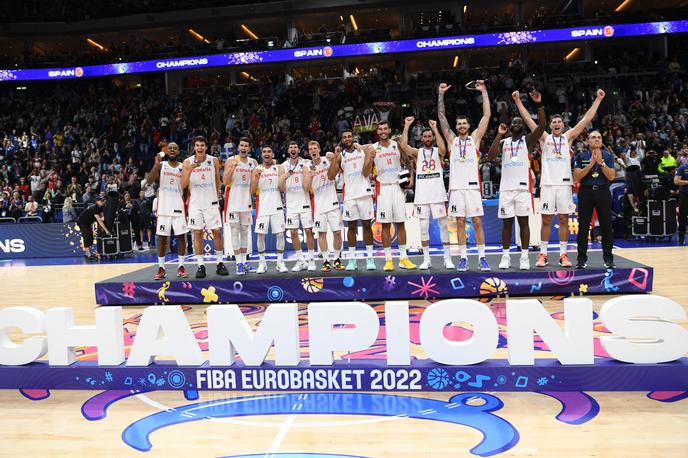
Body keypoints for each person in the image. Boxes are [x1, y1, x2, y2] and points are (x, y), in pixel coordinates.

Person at [512, 88, 606, 268]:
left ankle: (563, 254)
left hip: (564, 186)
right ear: (550, 125)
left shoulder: (568, 138)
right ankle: (543, 254)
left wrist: (598, 100)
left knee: (563, 219)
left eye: (559, 122)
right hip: (547, 185)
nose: (556, 124)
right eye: (553, 122)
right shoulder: (544, 138)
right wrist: (518, 101)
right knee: (546, 220)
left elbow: (586, 119)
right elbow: (528, 120)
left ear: (563, 125)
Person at [488, 90, 546, 270]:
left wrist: (538, 104)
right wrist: (498, 134)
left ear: (522, 127)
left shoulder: (527, 141)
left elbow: (543, 125)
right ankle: (505, 256)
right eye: (514, 122)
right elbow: (490, 157)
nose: (516, 123)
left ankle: (524, 257)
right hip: (506, 189)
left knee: (523, 222)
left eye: (519, 122)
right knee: (506, 223)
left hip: (522, 189)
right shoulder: (504, 142)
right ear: (510, 125)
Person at [437, 80, 492, 271]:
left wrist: (483, 92)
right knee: (459, 222)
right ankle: (463, 258)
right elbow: (441, 116)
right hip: (456, 189)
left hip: (473, 188)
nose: (461, 126)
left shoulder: (475, 139)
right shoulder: (451, 140)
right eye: (459, 124)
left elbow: (486, 115)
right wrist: (441, 94)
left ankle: (482, 257)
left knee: (477, 222)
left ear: (468, 125)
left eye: (464, 123)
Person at [398, 116, 452, 269]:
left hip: (437, 194)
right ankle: (426, 259)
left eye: (430, 136)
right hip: (422, 196)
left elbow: (443, 148)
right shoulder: (417, 152)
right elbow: (403, 145)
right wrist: (407, 125)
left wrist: (435, 128)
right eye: (425, 136)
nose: (427, 138)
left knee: (443, 225)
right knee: (423, 228)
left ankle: (447, 258)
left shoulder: (438, 151)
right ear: (421, 138)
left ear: (433, 138)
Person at [362, 121, 417, 271]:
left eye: (385, 128)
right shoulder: (372, 148)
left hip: (398, 187)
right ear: (377, 132)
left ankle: (403, 258)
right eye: (380, 129)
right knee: (385, 225)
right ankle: (388, 260)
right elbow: (365, 173)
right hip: (382, 189)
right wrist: (370, 159)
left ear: (389, 130)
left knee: (400, 223)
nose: (383, 131)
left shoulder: (396, 144)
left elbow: (406, 160)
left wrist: (411, 176)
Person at [181, 135, 229, 278]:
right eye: (197, 146)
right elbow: (182, 185)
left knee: (217, 232)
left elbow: (217, 179)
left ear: (206, 147)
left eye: (202, 145)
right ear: (194, 148)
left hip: (211, 202)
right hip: (195, 203)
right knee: (197, 233)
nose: (200, 148)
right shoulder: (187, 162)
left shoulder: (213, 160)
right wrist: (190, 170)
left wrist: (217, 193)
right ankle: (200, 265)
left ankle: (220, 263)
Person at [329, 129, 376, 271]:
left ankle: (370, 258)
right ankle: (352, 259)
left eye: (350, 136)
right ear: (342, 140)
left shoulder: (363, 150)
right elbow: (331, 176)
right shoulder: (340, 156)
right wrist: (334, 158)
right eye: (344, 137)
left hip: (365, 193)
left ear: (353, 138)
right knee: (351, 227)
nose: (348, 139)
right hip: (349, 196)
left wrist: (367, 153)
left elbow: (366, 172)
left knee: (367, 225)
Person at [573, 130, 616, 268]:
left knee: (607, 226)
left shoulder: (608, 156)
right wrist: (591, 164)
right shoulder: (581, 156)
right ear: (588, 141)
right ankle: (581, 259)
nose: (596, 139)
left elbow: (611, 177)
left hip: (603, 191)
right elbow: (577, 176)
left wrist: (601, 163)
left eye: (599, 137)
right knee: (583, 226)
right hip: (586, 192)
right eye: (593, 137)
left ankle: (608, 259)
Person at [146, 141, 189, 280]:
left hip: (178, 207)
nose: (171, 150)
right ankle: (161, 267)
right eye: (169, 148)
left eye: (174, 148)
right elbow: (149, 181)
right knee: (162, 238)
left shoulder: (183, 167)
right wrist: (155, 164)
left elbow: (187, 188)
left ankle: (181, 266)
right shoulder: (162, 165)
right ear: (167, 151)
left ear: (178, 152)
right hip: (163, 208)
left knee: (181, 236)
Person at [303, 140, 344, 272]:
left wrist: (335, 158)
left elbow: (338, 171)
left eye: (315, 148)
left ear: (319, 150)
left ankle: (337, 259)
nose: (313, 151)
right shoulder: (306, 166)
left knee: (337, 232)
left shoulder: (327, 159)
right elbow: (306, 187)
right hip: (319, 204)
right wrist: (309, 176)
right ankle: (326, 260)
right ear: (309, 152)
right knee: (322, 233)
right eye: (311, 149)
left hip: (332, 202)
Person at [223, 137, 259, 275]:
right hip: (233, 203)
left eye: (246, 146)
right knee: (234, 232)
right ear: (238, 147)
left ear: (249, 148)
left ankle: (244, 262)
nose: (243, 148)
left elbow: (255, 184)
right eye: (241, 145)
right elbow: (225, 181)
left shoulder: (253, 163)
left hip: (247, 202)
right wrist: (233, 167)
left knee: (245, 232)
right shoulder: (231, 161)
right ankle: (238, 263)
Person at [250, 145, 288, 274]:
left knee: (280, 234)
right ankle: (262, 263)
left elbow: (282, 188)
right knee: (260, 236)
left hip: (277, 206)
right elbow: (252, 191)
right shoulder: (256, 169)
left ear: (272, 154)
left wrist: (283, 177)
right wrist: (256, 177)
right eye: (264, 152)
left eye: (269, 151)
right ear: (261, 154)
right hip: (262, 208)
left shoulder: (279, 168)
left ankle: (280, 262)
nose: (266, 154)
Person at [282, 141, 317, 272]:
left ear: (298, 150)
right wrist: (285, 176)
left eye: (295, 147)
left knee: (308, 231)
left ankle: (312, 260)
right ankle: (301, 260)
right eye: (291, 147)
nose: (293, 149)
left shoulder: (306, 164)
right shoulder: (283, 166)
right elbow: (280, 187)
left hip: (304, 203)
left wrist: (308, 173)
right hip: (291, 205)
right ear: (288, 151)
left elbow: (308, 185)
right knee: (293, 232)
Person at [76, 194, 109, 261]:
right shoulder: (94, 207)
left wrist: (104, 224)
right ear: (97, 201)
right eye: (102, 201)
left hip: (88, 223)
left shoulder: (101, 207)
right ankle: (88, 255)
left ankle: (87, 253)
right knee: (87, 236)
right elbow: (99, 220)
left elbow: (102, 218)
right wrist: (106, 230)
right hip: (82, 222)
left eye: (104, 201)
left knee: (91, 237)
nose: (103, 202)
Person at [675, 161, 688, 245]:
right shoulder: (682, 168)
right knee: (682, 216)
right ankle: (681, 237)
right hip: (685, 195)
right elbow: (676, 181)